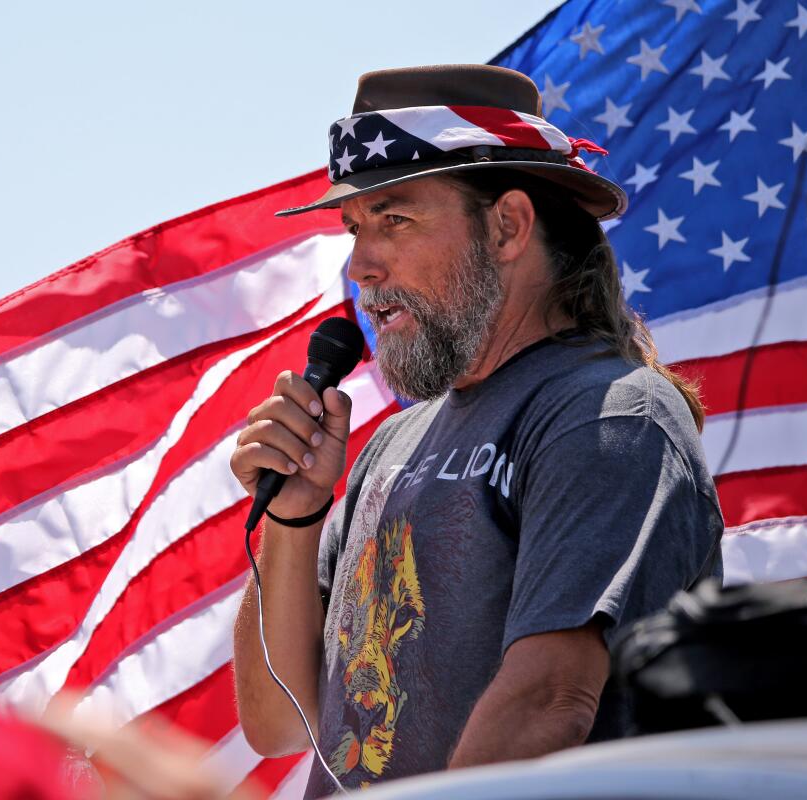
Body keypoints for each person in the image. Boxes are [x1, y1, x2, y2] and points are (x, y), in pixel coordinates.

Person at [229, 64, 724, 796]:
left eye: (394, 220)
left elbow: (550, 702)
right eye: (355, 228)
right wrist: (293, 515)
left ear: (508, 226)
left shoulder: (608, 413)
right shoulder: (392, 445)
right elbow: (276, 721)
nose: (360, 266)